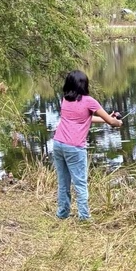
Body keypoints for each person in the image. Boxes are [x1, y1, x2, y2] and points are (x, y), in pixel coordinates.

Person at [51, 70, 122, 221]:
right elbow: (112, 123)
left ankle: (62, 214)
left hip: (58, 144)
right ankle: (84, 217)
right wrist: (116, 121)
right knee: (80, 183)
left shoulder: (65, 100)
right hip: (75, 147)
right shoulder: (89, 101)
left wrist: (106, 118)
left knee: (63, 182)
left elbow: (84, 118)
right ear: (84, 84)